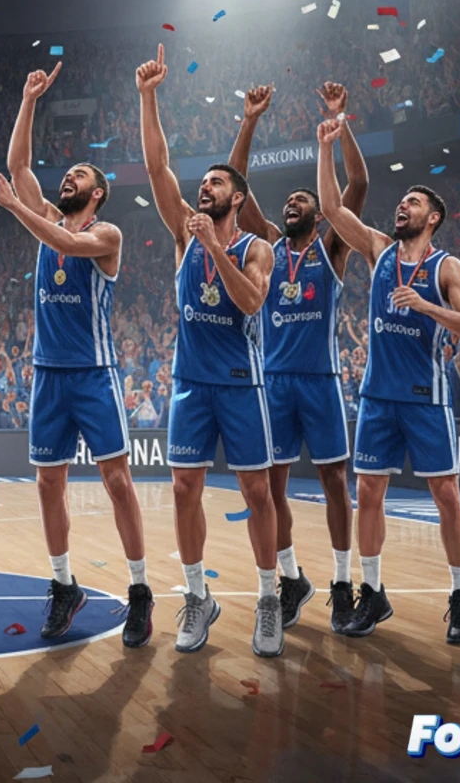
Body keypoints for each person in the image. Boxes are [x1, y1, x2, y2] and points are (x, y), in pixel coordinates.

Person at [0, 63, 153, 648]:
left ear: (96, 192)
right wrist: (29, 99)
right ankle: (63, 585)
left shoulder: (106, 236)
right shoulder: (49, 216)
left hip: (95, 375)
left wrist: (14, 208)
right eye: (69, 172)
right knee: (47, 484)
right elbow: (19, 168)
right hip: (48, 374)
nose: (68, 177)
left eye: (79, 174)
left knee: (118, 481)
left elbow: (63, 241)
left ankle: (139, 589)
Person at [134, 48, 282, 658]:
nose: (205, 187)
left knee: (257, 494)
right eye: (204, 183)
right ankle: (198, 596)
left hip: (241, 383)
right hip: (192, 382)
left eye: (217, 182)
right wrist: (148, 96)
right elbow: (157, 166)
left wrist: (214, 248)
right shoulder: (183, 232)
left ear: (238, 198)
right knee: (183, 490)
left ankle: (269, 597)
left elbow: (250, 302)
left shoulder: (256, 248)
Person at [316, 118, 460, 644]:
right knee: (367, 493)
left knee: (446, 494)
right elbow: (332, 208)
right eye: (402, 201)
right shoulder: (379, 250)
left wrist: (427, 306)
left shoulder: (447, 267)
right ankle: (373, 592)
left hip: (425, 398)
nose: (402, 206)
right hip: (377, 396)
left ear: (432, 217)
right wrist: (326, 146)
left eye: (413, 202)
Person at [225, 82, 369, 635]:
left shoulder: (332, 246)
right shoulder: (266, 243)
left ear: (318, 213)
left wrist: (340, 121)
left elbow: (358, 184)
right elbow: (236, 185)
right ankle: (290, 578)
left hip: (320, 380)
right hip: (274, 382)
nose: (291, 204)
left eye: (301, 200)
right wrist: (249, 121)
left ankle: (341, 583)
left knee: (335, 482)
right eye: (287, 201)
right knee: (271, 489)